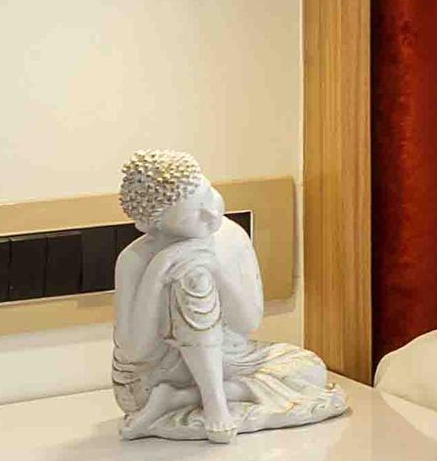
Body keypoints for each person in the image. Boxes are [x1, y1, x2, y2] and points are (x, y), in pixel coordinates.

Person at [108, 150, 343, 443]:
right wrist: (157, 273)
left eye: (209, 195)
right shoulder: (134, 259)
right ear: (153, 226)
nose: (211, 213)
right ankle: (215, 405)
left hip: (232, 360)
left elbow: (248, 322)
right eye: (191, 215)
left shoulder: (231, 235)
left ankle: (181, 400)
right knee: (192, 274)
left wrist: (217, 269)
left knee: (311, 369)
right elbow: (135, 352)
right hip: (152, 378)